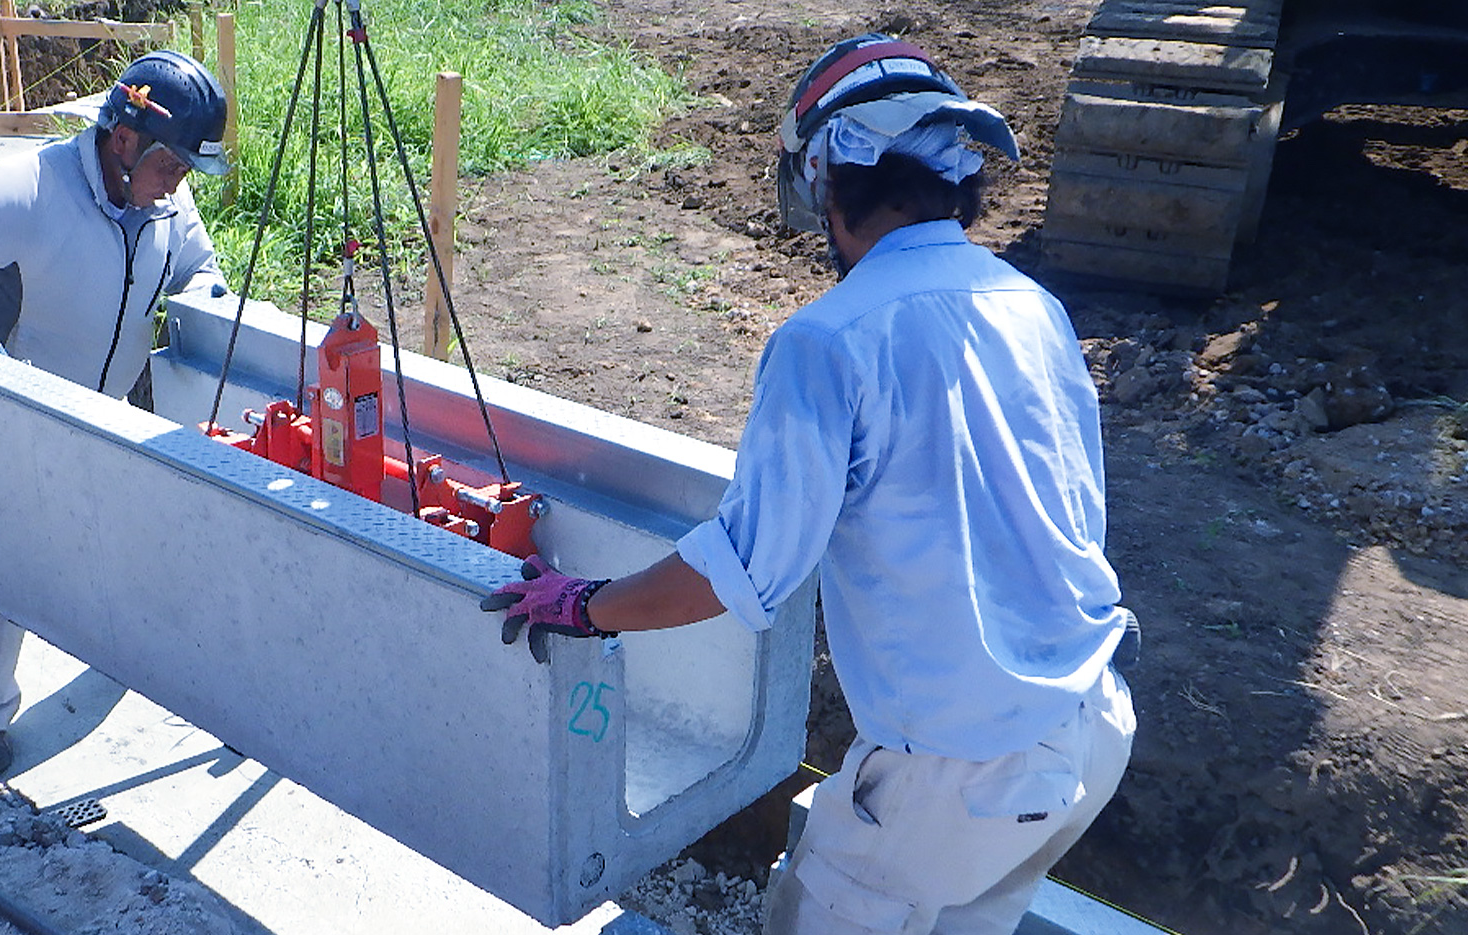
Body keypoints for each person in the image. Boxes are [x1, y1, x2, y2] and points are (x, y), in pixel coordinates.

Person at [482, 34, 1137, 935]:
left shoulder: (829, 340)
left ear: (829, 181)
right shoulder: (1034, 307)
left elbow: (737, 573)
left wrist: (583, 602)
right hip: (1091, 729)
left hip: (958, 773)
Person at [0, 49, 232, 775]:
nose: (179, 186)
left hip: (112, 404)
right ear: (125, 140)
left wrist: (225, 316)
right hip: (21, 403)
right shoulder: (34, 189)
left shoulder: (164, 199)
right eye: (173, 165)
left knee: (129, 530)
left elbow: (200, 274)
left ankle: (128, 649)